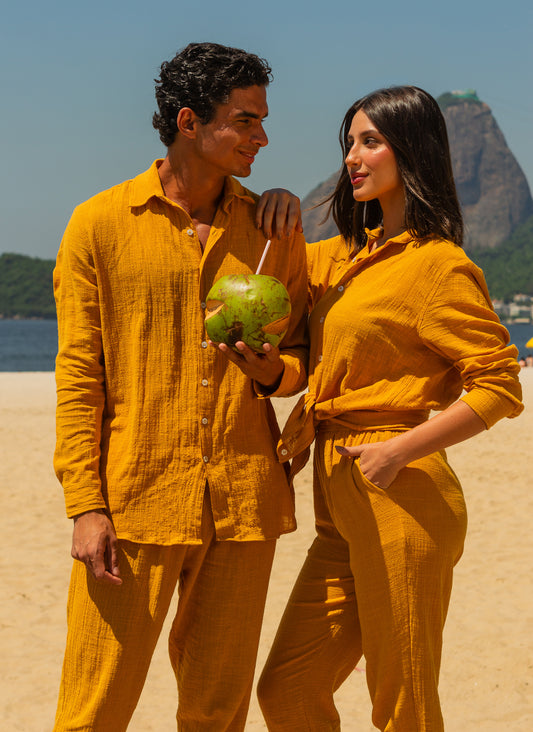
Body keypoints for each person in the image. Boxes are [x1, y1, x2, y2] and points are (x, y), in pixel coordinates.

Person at [52, 42, 308, 731]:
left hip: (244, 503)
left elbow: (299, 364)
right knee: (93, 708)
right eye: (245, 121)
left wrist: (267, 369)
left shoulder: (272, 227)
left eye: (261, 120)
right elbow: (80, 377)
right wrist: (86, 506)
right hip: (135, 499)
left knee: (216, 713)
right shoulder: (98, 226)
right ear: (190, 122)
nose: (263, 136)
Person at [257, 86, 523, 731]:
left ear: (413, 150)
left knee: (402, 705)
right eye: (349, 142)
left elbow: (500, 385)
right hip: (335, 496)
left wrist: (400, 449)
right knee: (288, 691)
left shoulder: (439, 267)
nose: (353, 156)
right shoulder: (345, 256)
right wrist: (277, 201)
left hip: (401, 490)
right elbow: (279, 261)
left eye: (370, 141)